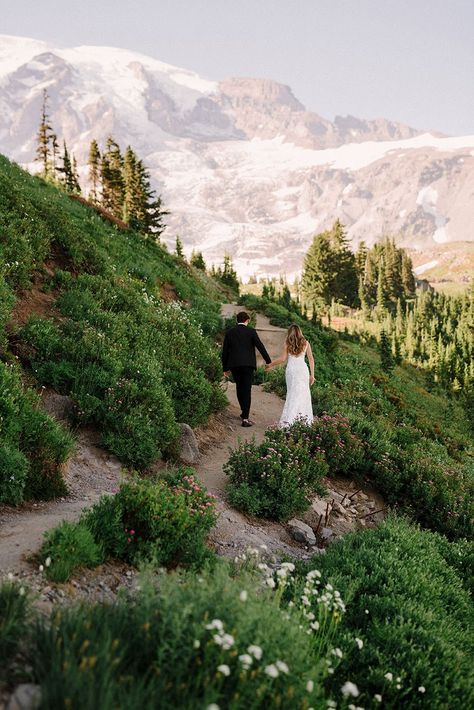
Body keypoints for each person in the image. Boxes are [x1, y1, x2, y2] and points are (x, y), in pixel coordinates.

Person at [222, 311, 271, 427]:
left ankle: (244, 412)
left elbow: (225, 352)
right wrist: (268, 361)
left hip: (235, 365)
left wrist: (225, 368)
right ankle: (245, 418)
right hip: (248, 365)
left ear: (236, 320)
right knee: (247, 389)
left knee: (240, 388)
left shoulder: (230, 333)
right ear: (247, 320)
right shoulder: (251, 331)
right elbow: (260, 346)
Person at [266, 324, 314, 426]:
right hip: (303, 370)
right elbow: (311, 359)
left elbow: (282, 359)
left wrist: (270, 364)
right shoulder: (306, 343)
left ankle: (290, 421)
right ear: (300, 332)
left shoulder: (287, 343)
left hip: (292, 371)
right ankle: (305, 422)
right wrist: (312, 375)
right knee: (304, 394)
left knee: (292, 394)